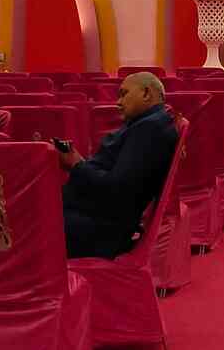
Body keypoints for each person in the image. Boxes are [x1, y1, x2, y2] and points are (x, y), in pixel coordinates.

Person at [60, 71, 178, 259]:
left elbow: (117, 189)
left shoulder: (149, 129)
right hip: (93, 215)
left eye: (124, 94)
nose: (118, 102)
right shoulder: (147, 123)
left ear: (146, 93)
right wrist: (79, 163)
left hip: (100, 230)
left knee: (28, 221)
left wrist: (76, 166)